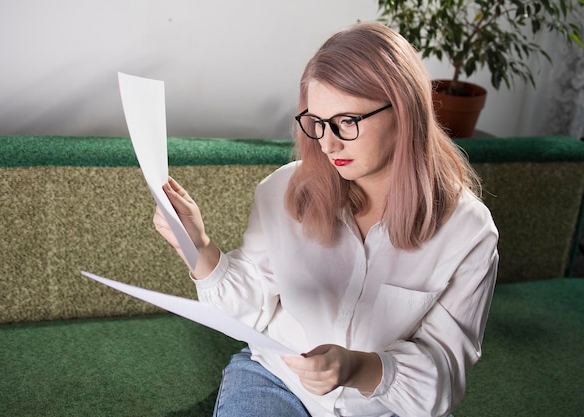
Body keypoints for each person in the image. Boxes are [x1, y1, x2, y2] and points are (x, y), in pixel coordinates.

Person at [153, 21, 498, 417]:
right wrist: (198, 247)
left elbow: (443, 382)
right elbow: (250, 310)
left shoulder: (469, 232)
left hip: (383, 408)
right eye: (316, 123)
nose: (327, 143)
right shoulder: (283, 190)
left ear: (404, 110)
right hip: (276, 378)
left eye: (346, 122)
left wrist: (358, 367)